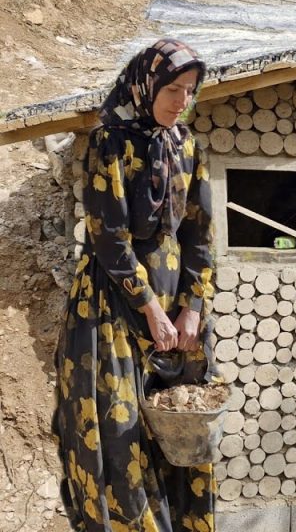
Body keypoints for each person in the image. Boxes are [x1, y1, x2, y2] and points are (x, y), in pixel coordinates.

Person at [52, 38, 219, 532]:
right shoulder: (111, 142)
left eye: (190, 91)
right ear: (146, 85)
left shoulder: (187, 145)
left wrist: (192, 306)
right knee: (119, 426)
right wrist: (150, 308)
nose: (181, 101)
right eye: (172, 88)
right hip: (113, 301)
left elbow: (200, 234)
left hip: (176, 301)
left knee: (183, 426)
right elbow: (110, 237)